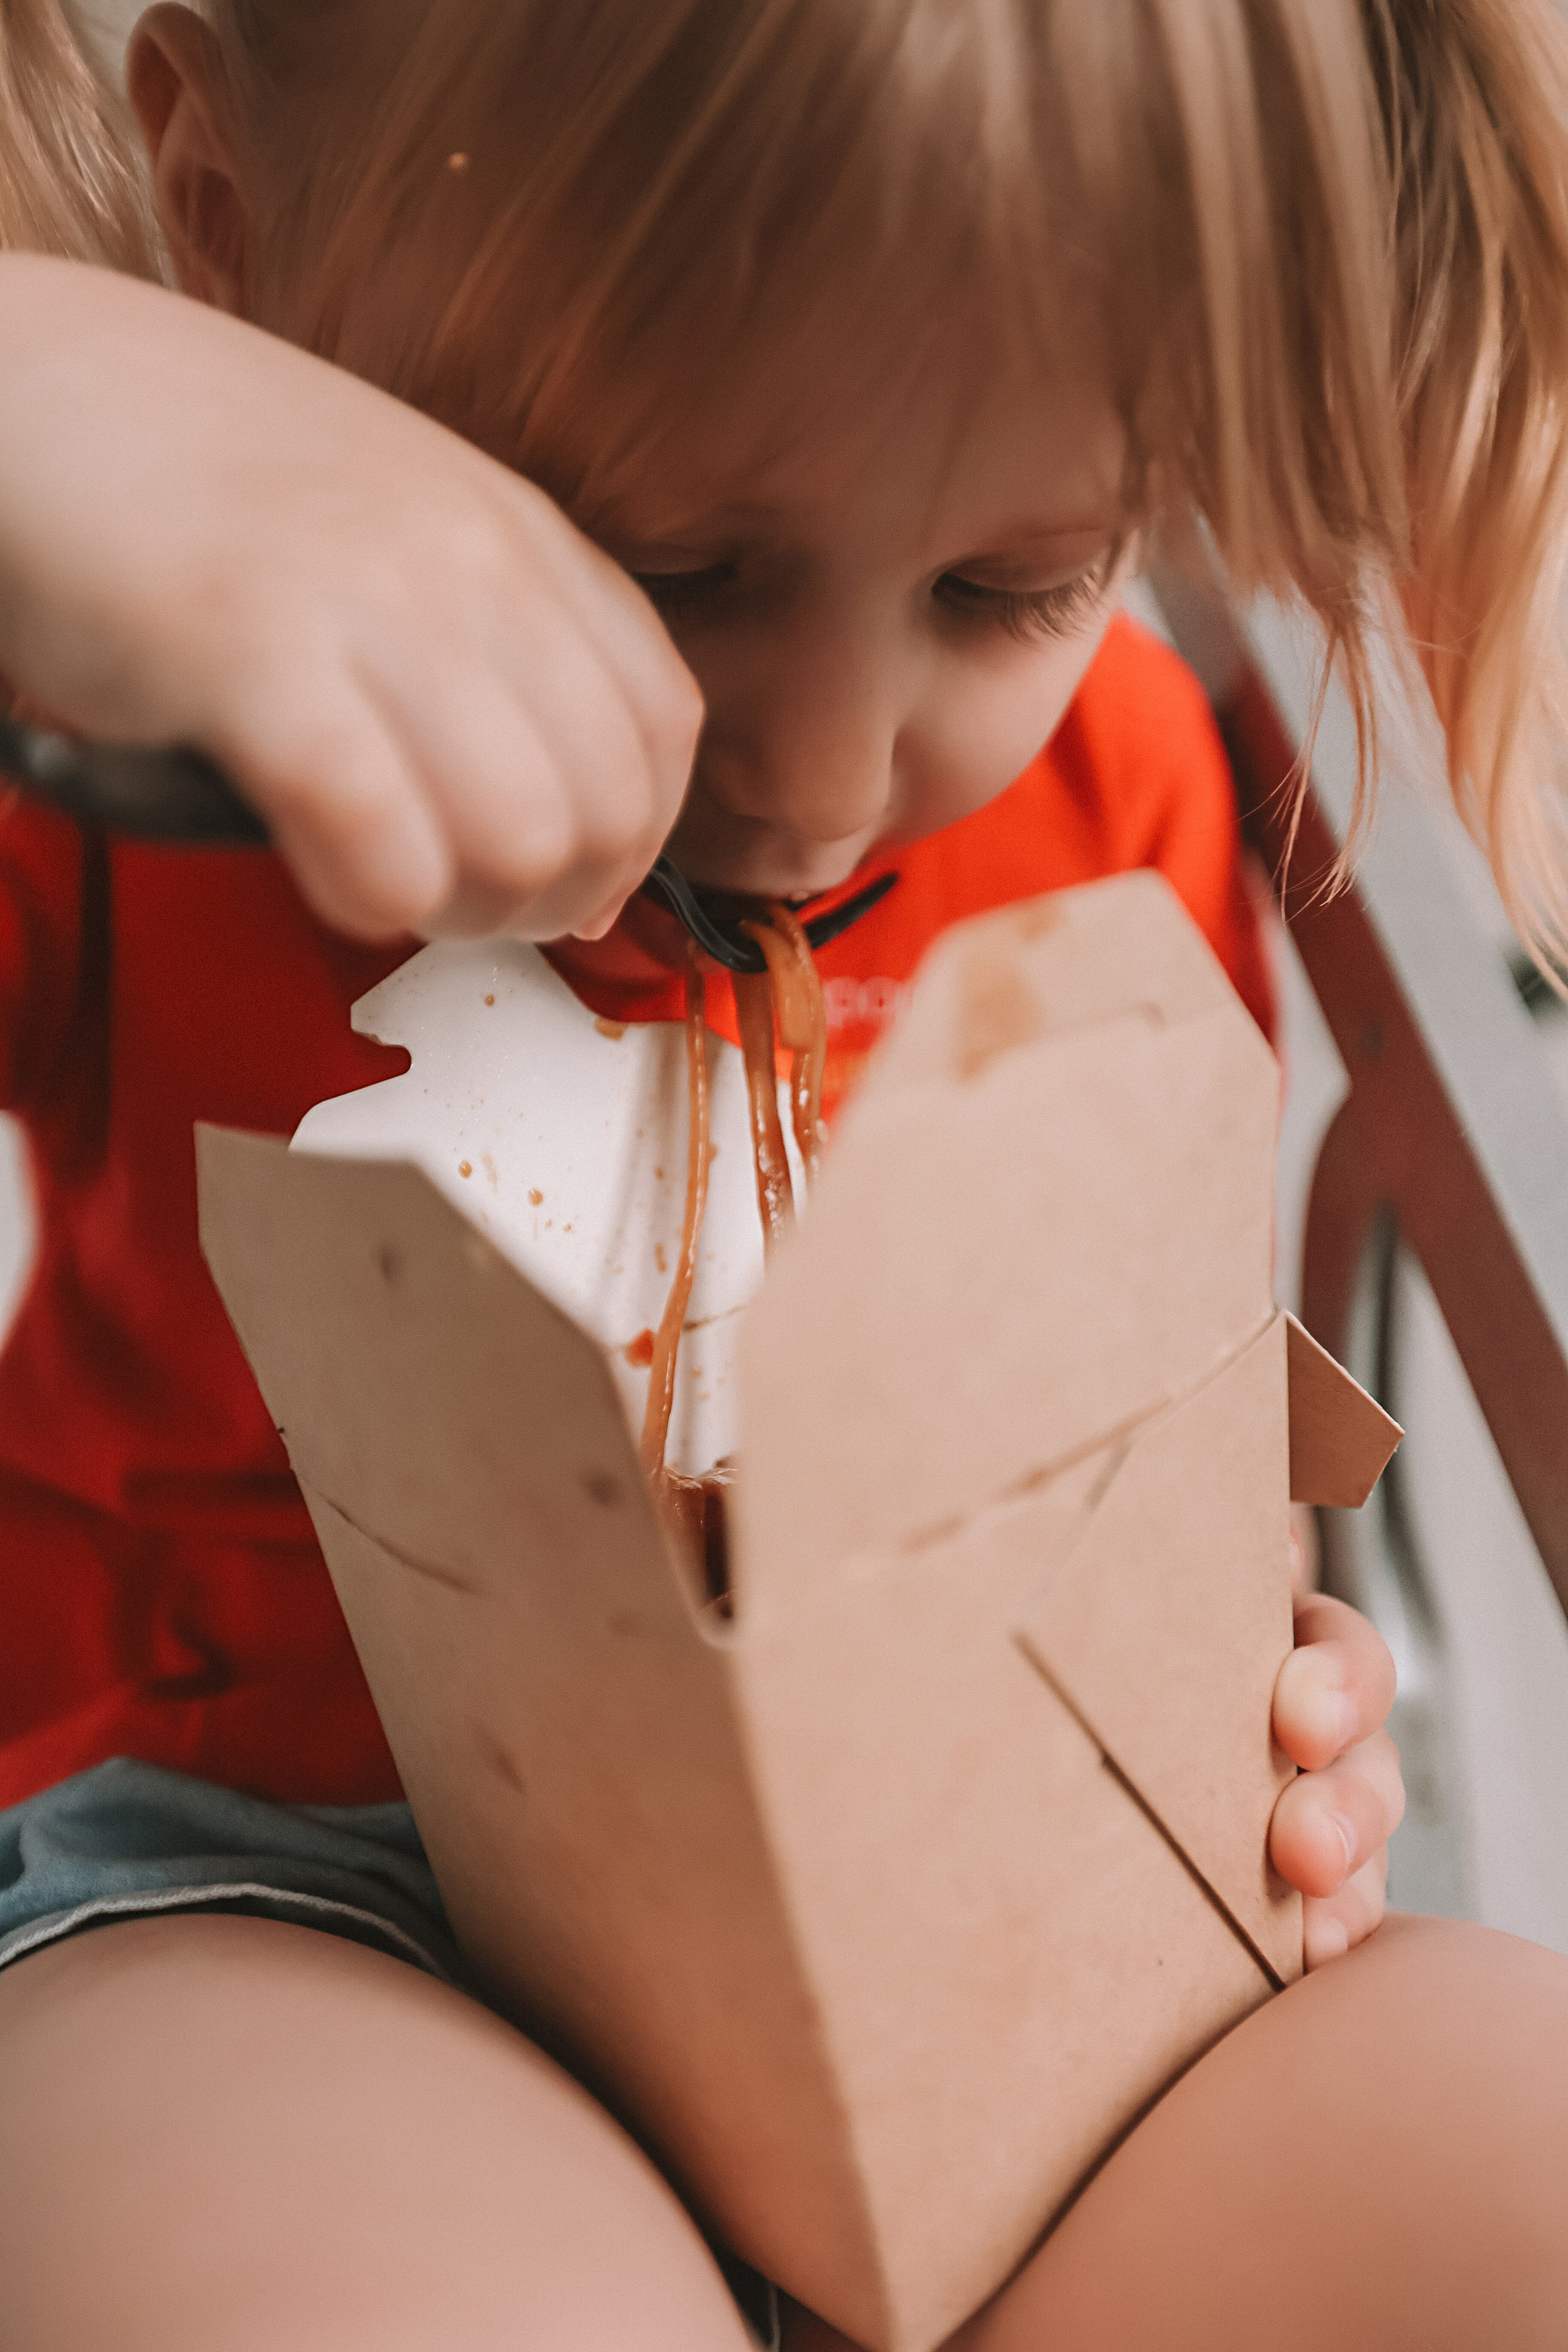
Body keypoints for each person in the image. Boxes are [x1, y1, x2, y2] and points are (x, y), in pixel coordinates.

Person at [0, 3, 1565, 2346]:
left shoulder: (1122, 808)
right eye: (673, 564)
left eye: (1010, 587)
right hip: (267, 1883)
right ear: (227, 228)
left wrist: (1246, 1696)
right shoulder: (127, 791)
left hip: (973, 1937)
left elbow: (1135, 1441)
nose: (824, 784)